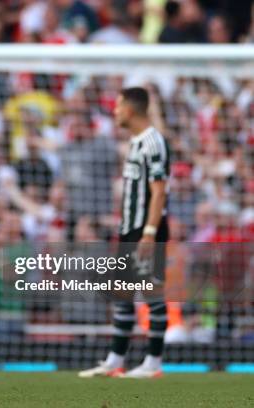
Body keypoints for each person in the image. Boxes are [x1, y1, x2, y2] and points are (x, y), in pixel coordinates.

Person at [79, 87, 171, 379]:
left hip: (146, 229)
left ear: (130, 110)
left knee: (152, 294)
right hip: (131, 229)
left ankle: (153, 365)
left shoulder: (154, 142)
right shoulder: (136, 142)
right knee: (123, 294)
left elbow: (159, 193)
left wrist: (149, 233)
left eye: (117, 107)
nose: (115, 112)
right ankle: (114, 361)